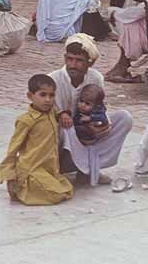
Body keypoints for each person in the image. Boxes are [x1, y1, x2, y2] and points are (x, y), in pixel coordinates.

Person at [49, 37, 134, 186]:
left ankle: (91, 168)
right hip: (62, 139)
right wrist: (60, 113)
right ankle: (82, 169)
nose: (72, 65)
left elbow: (99, 106)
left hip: (88, 131)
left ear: (90, 63)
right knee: (67, 127)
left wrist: (101, 125)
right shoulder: (53, 79)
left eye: (79, 60)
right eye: (69, 59)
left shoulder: (95, 78)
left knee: (124, 118)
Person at [0, 73, 74, 206]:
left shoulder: (52, 113)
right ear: (30, 96)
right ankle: (21, 188)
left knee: (67, 189)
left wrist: (64, 113)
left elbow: (58, 112)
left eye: (51, 95)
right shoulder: (25, 121)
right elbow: (13, 149)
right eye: (42, 95)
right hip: (31, 168)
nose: (48, 100)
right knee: (55, 195)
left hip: (49, 168)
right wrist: (9, 176)